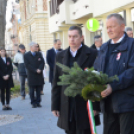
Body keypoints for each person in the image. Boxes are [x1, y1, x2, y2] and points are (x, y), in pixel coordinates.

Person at [52, 26, 100, 134]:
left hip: (85, 104)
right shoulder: (60, 55)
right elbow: (56, 81)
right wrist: (55, 106)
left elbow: (97, 81)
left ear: (82, 37)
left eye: (75, 36)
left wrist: (96, 106)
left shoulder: (92, 53)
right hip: (67, 105)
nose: (71, 39)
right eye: (69, 36)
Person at [94, 13, 134, 134]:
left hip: (127, 103)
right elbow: (97, 69)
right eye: (107, 27)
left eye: (112, 26)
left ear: (122, 27)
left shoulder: (132, 44)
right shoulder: (104, 47)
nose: (109, 30)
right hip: (107, 103)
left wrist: (113, 86)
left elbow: (132, 71)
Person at [24, 42, 45, 108]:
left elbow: (42, 62)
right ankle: (33, 102)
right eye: (35, 46)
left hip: (39, 75)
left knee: (39, 90)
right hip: (31, 75)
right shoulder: (26, 55)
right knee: (32, 90)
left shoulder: (39, 53)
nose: (37, 47)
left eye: (37, 46)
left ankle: (38, 102)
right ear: (31, 47)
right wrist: (35, 70)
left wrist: (40, 69)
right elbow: (27, 65)